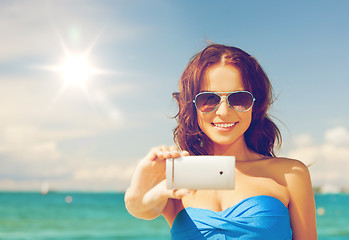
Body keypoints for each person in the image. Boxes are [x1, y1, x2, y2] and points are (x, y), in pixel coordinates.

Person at [124, 44, 317, 239]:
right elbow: (140, 208)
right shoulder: (181, 173)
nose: (224, 112)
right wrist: (143, 179)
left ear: (255, 104)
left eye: (239, 98)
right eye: (209, 98)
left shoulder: (289, 174)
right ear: (192, 106)